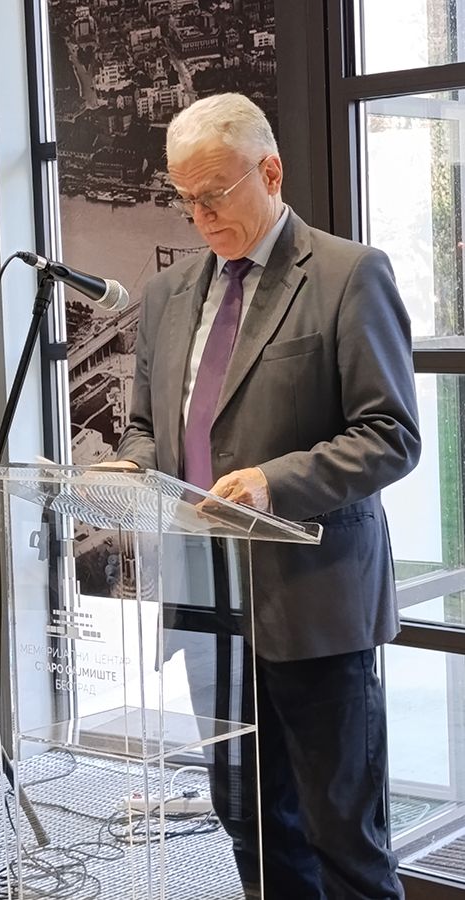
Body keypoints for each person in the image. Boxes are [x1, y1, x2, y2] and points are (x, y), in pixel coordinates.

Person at [111, 93, 421, 899]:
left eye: (214, 193)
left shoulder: (348, 274)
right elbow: (144, 426)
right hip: (205, 607)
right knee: (248, 822)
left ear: (271, 172)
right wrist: (134, 468)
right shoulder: (168, 293)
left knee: (340, 837)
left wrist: (272, 482)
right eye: (185, 197)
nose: (199, 215)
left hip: (312, 604)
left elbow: (389, 434)